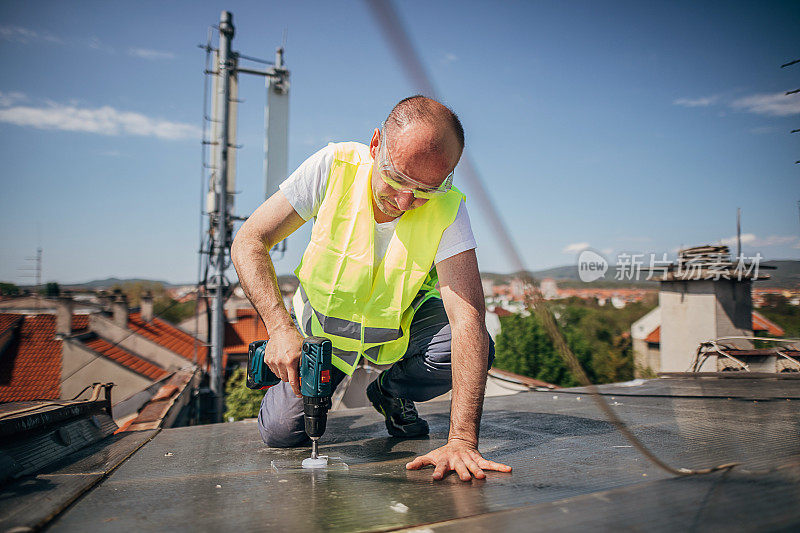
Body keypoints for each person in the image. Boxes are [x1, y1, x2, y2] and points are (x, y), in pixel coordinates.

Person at [231, 95, 511, 482]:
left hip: (396, 335)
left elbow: (468, 320)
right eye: (397, 179)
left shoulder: (448, 205)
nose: (406, 200)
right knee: (281, 432)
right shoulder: (334, 167)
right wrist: (280, 329)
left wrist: (462, 440)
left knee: (463, 345)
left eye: (426, 189)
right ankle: (317, 395)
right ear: (376, 144)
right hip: (321, 338)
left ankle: (391, 390)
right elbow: (249, 241)